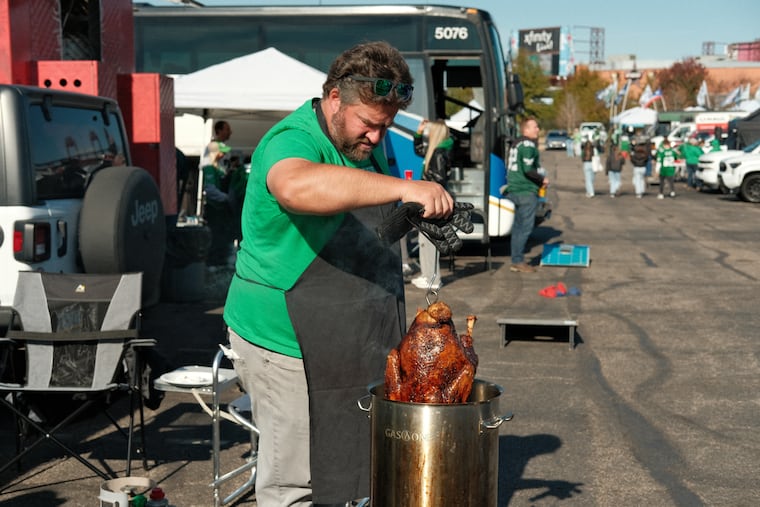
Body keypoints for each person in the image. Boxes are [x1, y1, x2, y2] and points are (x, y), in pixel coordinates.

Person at [223, 41, 456, 506]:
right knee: (295, 481)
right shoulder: (291, 140)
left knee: (351, 461)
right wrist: (406, 185)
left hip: (350, 331)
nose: (375, 137)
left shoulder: (368, 141)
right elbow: (295, 186)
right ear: (334, 99)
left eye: (385, 126)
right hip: (283, 337)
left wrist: (414, 214)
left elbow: (370, 225)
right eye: (368, 124)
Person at [410, 118, 453, 290]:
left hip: (432, 202)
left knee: (429, 241)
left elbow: (439, 179)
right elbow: (419, 149)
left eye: (429, 131)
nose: (427, 133)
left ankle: (432, 279)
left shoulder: (439, 153)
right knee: (424, 240)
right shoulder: (436, 150)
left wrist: (425, 188)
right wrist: (418, 133)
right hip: (431, 200)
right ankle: (428, 276)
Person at [505, 117, 547, 273]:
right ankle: (518, 260)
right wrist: (543, 179)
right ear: (526, 130)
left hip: (513, 188)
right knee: (525, 228)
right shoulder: (528, 145)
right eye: (535, 127)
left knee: (517, 227)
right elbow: (529, 170)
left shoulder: (516, 143)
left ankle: (516, 258)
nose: (537, 129)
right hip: (525, 191)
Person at [201, 141, 235, 266]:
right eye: (221, 152)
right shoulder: (209, 168)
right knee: (216, 237)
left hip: (221, 209)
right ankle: (213, 263)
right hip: (214, 208)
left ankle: (220, 261)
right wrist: (226, 198)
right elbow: (210, 190)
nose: (223, 155)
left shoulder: (217, 167)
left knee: (222, 237)